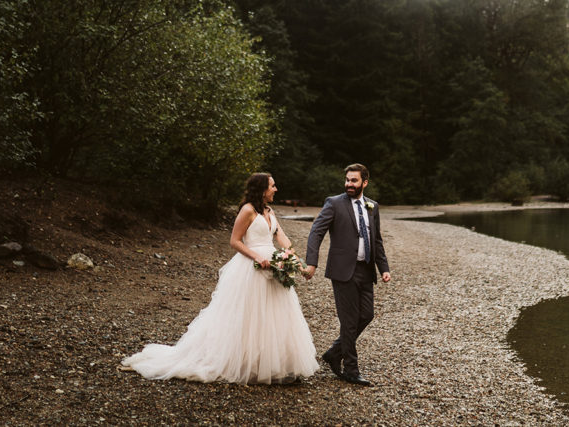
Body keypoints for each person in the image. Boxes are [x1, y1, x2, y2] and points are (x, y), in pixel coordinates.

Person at [122, 173, 318, 384]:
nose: (276, 189)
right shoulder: (248, 210)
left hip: (274, 267)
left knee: (275, 314)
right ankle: (243, 363)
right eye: (272, 186)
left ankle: (274, 364)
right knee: (248, 316)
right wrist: (257, 257)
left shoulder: (269, 211)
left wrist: (298, 263)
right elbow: (235, 241)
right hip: (251, 268)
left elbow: (283, 239)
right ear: (262, 189)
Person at [304, 163, 391, 386]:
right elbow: (316, 231)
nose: (349, 184)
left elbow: (377, 240)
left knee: (367, 314)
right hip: (343, 271)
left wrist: (384, 268)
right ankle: (350, 369)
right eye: (347, 180)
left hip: (366, 270)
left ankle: (334, 352)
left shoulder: (373, 206)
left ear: (365, 182)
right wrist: (311, 262)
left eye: (354, 181)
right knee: (349, 321)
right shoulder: (334, 203)